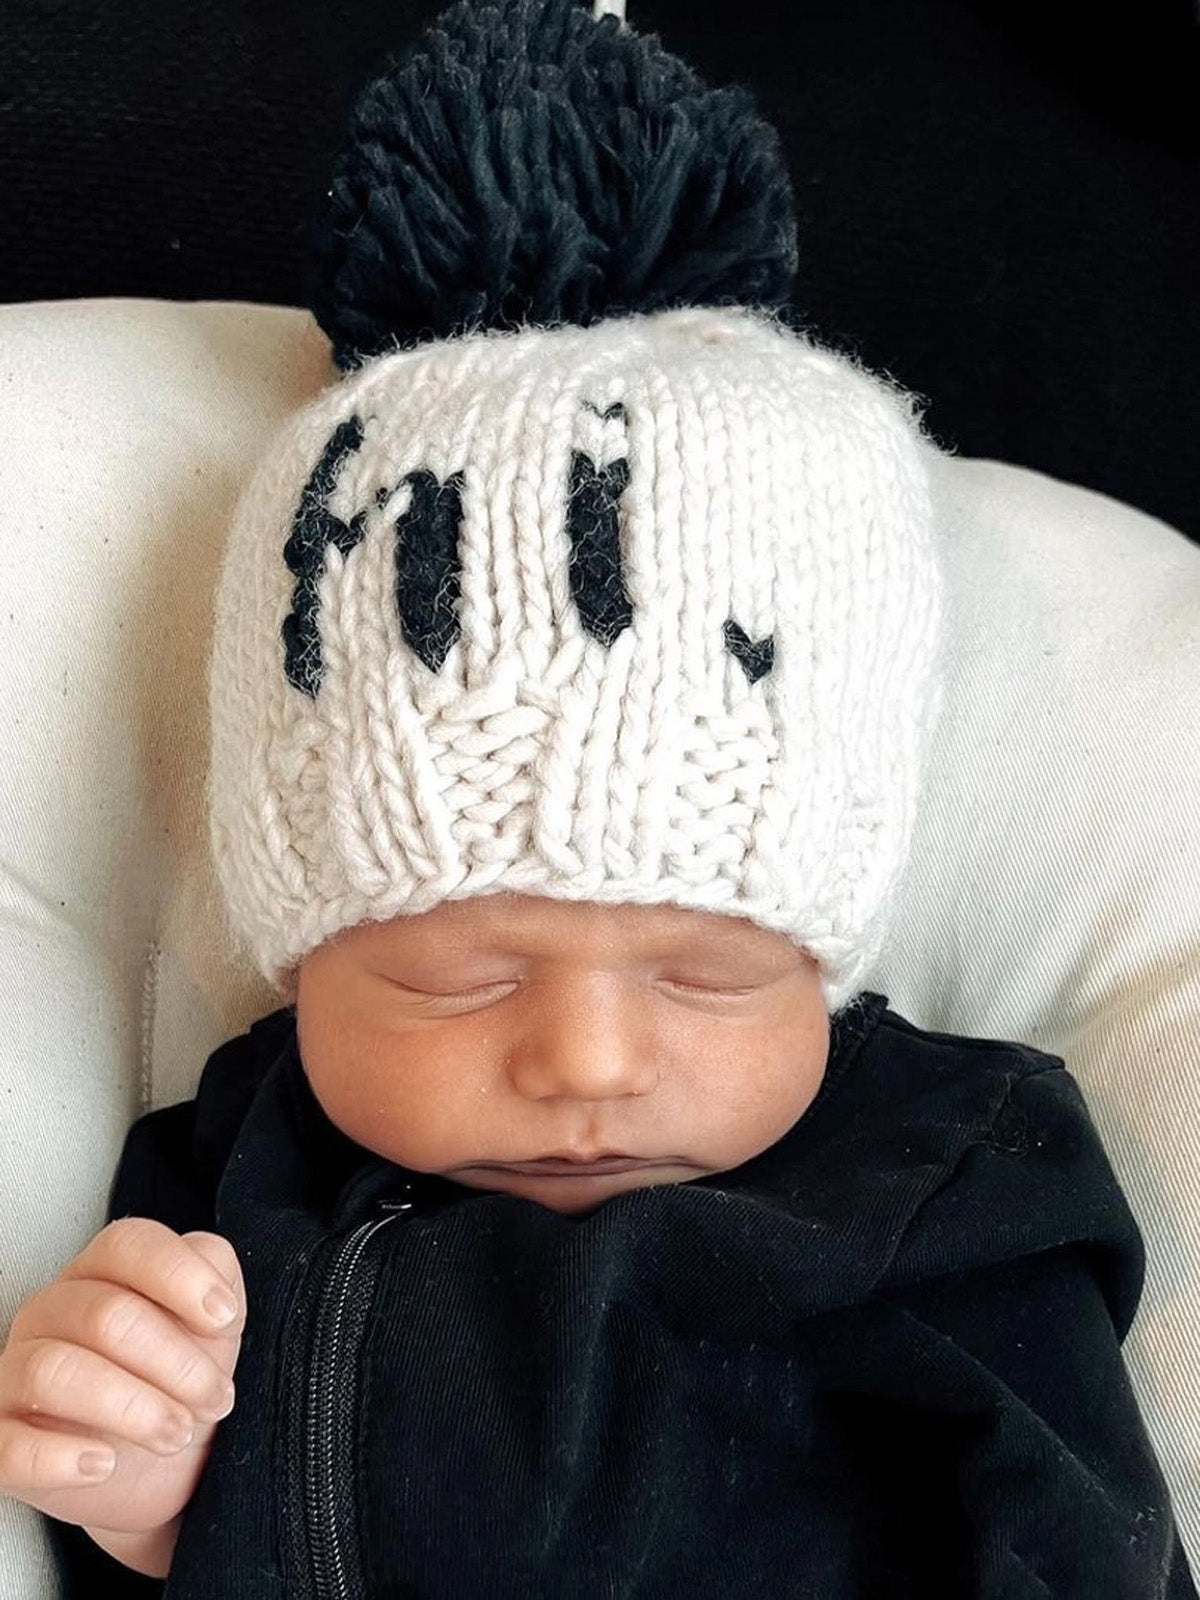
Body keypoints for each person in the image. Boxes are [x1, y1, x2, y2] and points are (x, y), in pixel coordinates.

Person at [0, 0, 1195, 1594]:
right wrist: (140, 1491)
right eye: (452, 979)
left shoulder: (948, 1176)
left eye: (711, 976)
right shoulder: (233, 1184)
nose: (587, 1062)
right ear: (302, 956)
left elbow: (1081, 1531)